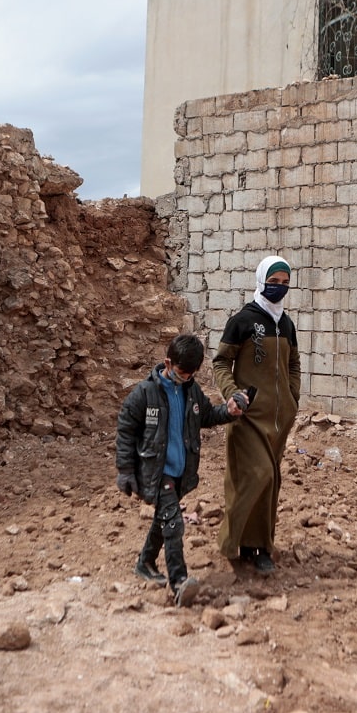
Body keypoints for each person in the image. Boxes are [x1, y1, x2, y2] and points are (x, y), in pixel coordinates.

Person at [115, 333, 244, 606]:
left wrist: (229, 411)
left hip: (180, 472)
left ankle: (145, 563)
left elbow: (208, 416)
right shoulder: (144, 394)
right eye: (182, 372)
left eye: (190, 374)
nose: (185, 378)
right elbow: (126, 431)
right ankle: (179, 582)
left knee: (165, 520)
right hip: (155, 471)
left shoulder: (192, 391)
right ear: (167, 362)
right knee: (173, 523)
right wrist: (125, 471)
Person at [213, 255, 301, 574]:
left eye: (284, 283)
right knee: (257, 473)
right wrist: (232, 394)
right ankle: (230, 540)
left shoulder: (286, 324)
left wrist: (293, 396)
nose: (279, 288)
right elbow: (221, 362)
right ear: (261, 280)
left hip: (279, 420)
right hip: (247, 416)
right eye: (273, 281)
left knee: (270, 481)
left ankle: (259, 547)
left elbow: (293, 363)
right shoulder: (243, 320)